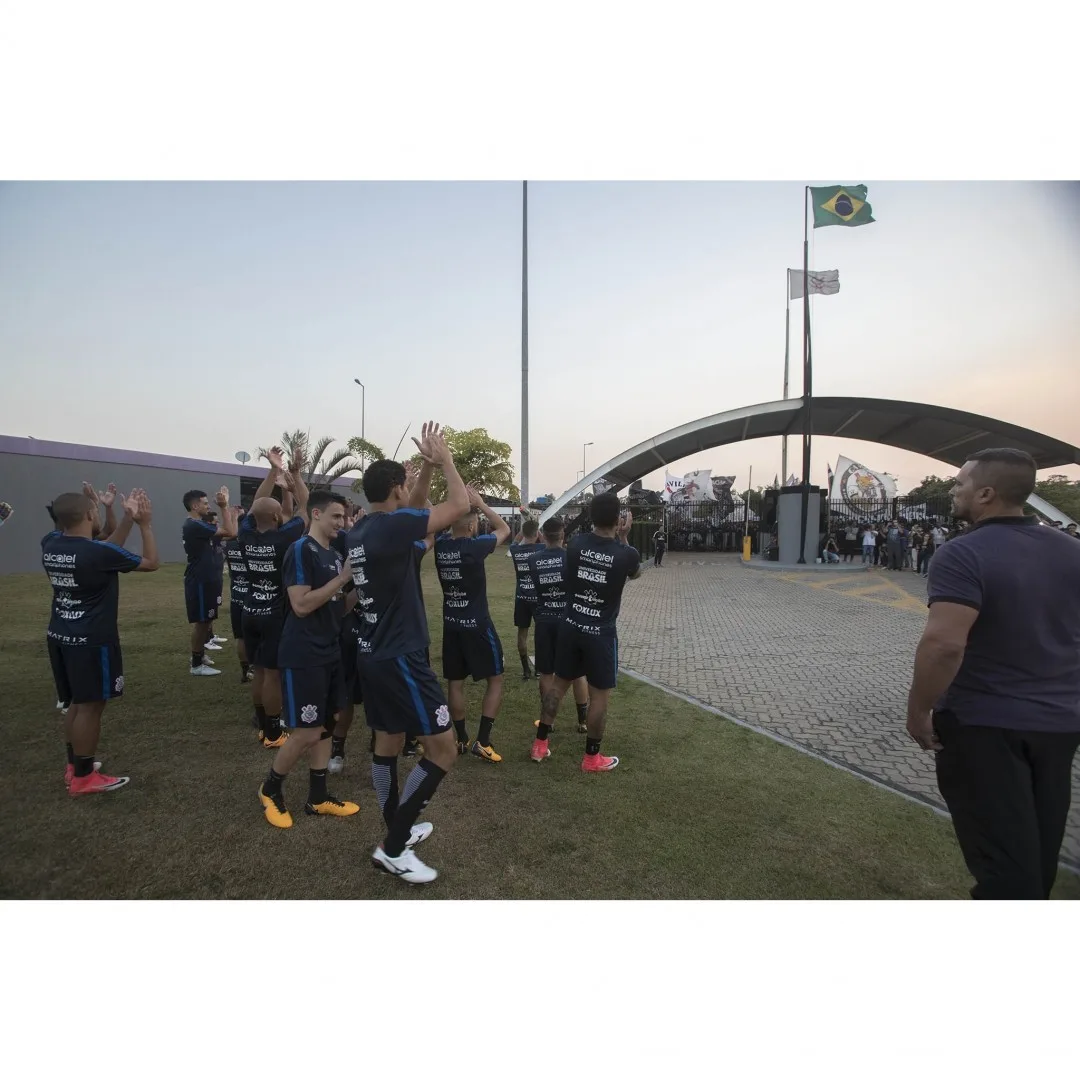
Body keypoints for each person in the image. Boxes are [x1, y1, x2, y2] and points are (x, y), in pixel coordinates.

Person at [906, 448, 1080, 900]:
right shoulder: (1072, 551)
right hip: (1060, 724)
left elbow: (944, 645)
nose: (953, 490)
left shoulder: (962, 554)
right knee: (1038, 853)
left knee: (1003, 864)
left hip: (985, 724)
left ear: (985, 493)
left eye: (960, 483)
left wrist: (919, 710)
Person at [348, 423, 470, 885]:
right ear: (395, 489)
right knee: (442, 748)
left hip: (371, 651)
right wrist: (445, 463)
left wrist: (418, 476)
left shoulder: (363, 531)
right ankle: (392, 847)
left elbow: (413, 511)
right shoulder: (393, 527)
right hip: (400, 656)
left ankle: (396, 826)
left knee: (388, 741)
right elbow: (456, 507)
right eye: (405, 485)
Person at [42, 489, 159, 794]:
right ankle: (84, 779)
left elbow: (107, 548)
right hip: (92, 640)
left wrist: (127, 519)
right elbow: (150, 562)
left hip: (61, 635)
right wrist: (144, 524)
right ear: (90, 515)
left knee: (76, 704)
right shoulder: (97, 553)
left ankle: (75, 766)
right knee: (91, 707)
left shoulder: (51, 543)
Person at [258, 491, 360, 828]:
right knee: (305, 731)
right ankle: (270, 789)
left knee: (327, 725)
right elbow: (301, 605)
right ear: (315, 514)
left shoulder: (333, 554)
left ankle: (318, 797)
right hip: (303, 654)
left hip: (329, 650)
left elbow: (338, 608)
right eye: (335, 517)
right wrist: (343, 579)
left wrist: (358, 586)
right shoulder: (302, 549)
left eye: (344, 518)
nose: (342, 524)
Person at [530, 494, 641, 771]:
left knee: (558, 685)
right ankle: (592, 758)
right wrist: (623, 537)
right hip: (600, 633)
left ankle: (540, 745)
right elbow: (635, 573)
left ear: (591, 517)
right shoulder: (625, 553)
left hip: (571, 625)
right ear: (619, 520)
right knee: (599, 696)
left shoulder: (576, 544)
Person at [434, 485, 512, 761]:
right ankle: (483, 740)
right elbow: (504, 529)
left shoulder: (441, 545)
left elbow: (440, 521)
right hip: (477, 625)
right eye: (477, 522)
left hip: (451, 624)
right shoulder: (474, 546)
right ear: (470, 527)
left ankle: (461, 738)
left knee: (455, 682)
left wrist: (457, 504)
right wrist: (481, 503)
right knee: (496, 678)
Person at [239, 450, 309, 747]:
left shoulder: (245, 534)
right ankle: (272, 731)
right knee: (272, 673)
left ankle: (260, 717)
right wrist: (293, 479)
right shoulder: (284, 537)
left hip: (249, 610)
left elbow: (258, 503)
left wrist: (273, 471)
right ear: (278, 516)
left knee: (258, 669)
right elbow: (307, 508)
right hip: (273, 614)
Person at [527, 515, 591, 734]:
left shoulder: (533, 560)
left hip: (544, 620)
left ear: (542, 536)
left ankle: (549, 721)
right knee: (577, 673)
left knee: (546, 672)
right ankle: (583, 720)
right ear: (563, 536)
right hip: (568, 619)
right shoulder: (571, 557)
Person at [182, 487, 237, 676]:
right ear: (195, 506)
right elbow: (229, 530)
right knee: (202, 622)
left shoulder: (199, 526)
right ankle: (196, 664)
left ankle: (199, 656)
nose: (208, 506)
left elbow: (230, 534)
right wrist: (224, 506)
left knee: (207, 620)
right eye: (205, 503)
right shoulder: (194, 525)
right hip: (200, 580)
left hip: (208, 579)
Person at [509, 519, 543, 679]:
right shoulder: (541, 548)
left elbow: (515, 539)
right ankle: (538, 669)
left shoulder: (515, 550)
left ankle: (525, 670)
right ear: (536, 534)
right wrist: (538, 531)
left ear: (523, 533)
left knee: (522, 634)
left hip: (521, 597)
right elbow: (544, 540)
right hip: (537, 598)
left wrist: (523, 531)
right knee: (540, 633)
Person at [224, 509, 255, 683]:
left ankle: (245, 670)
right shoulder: (251, 543)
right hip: (253, 596)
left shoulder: (230, 544)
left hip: (236, 594)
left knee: (240, 636)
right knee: (255, 635)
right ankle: (255, 667)